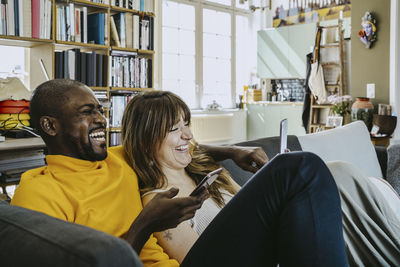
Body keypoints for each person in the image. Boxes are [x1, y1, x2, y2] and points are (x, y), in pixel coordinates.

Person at [122, 91, 400, 266]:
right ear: (147, 140)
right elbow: (200, 259)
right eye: (174, 128)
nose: (187, 135)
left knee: (338, 171)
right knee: (304, 167)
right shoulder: (159, 201)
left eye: (187, 124)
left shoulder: (206, 168)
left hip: (270, 241)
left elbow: (250, 212)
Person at [10, 79, 267, 267]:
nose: (101, 119)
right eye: (87, 112)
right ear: (49, 125)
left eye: (101, 109)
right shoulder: (38, 191)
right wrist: (146, 224)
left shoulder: (116, 158)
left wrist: (234, 151)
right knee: (293, 172)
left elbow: (165, 141)